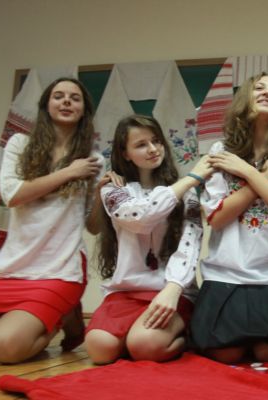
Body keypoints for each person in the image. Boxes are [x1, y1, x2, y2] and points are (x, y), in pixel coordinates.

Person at [189, 72, 268, 365]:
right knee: (225, 352)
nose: (267, 93)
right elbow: (217, 218)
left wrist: (249, 173)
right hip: (227, 273)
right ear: (245, 99)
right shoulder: (222, 151)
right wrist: (264, 176)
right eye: (259, 88)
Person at [84, 115, 213, 364]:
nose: (153, 149)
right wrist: (192, 178)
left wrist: (173, 288)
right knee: (99, 348)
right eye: (141, 144)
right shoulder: (114, 189)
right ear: (125, 153)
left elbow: (191, 244)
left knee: (145, 345)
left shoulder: (187, 193)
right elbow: (140, 217)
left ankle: (187, 335)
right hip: (126, 292)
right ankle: (135, 336)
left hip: (171, 290)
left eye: (156, 141)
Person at [0, 77, 103, 363]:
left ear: (84, 110)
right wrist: (69, 172)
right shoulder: (20, 144)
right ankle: (69, 313)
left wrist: (102, 194)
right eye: (58, 96)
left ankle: (63, 315)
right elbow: (12, 195)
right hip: (12, 268)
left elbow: (93, 227)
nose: (66, 101)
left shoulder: (92, 160)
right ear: (46, 105)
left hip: (60, 269)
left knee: (4, 349)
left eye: (75, 98)